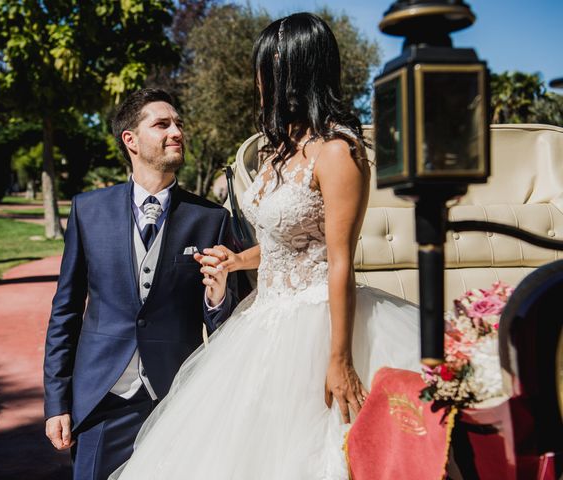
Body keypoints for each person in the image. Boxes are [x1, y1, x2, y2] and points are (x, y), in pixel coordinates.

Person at [112, 13, 421, 479]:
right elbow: (285, 242)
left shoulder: (340, 152)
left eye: (265, 68)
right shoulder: (274, 150)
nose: (258, 80)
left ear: (292, 72)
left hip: (319, 324)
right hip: (262, 319)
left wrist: (339, 361)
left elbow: (339, 260)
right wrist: (239, 260)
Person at [43, 88, 237, 480]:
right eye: (162, 124)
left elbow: (227, 330)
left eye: (179, 124)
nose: (176, 132)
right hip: (101, 400)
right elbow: (65, 311)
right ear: (130, 139)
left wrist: (217, 300)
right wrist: (56, 403)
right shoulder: (87, 210)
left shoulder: (211, 219)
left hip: (175, 400)